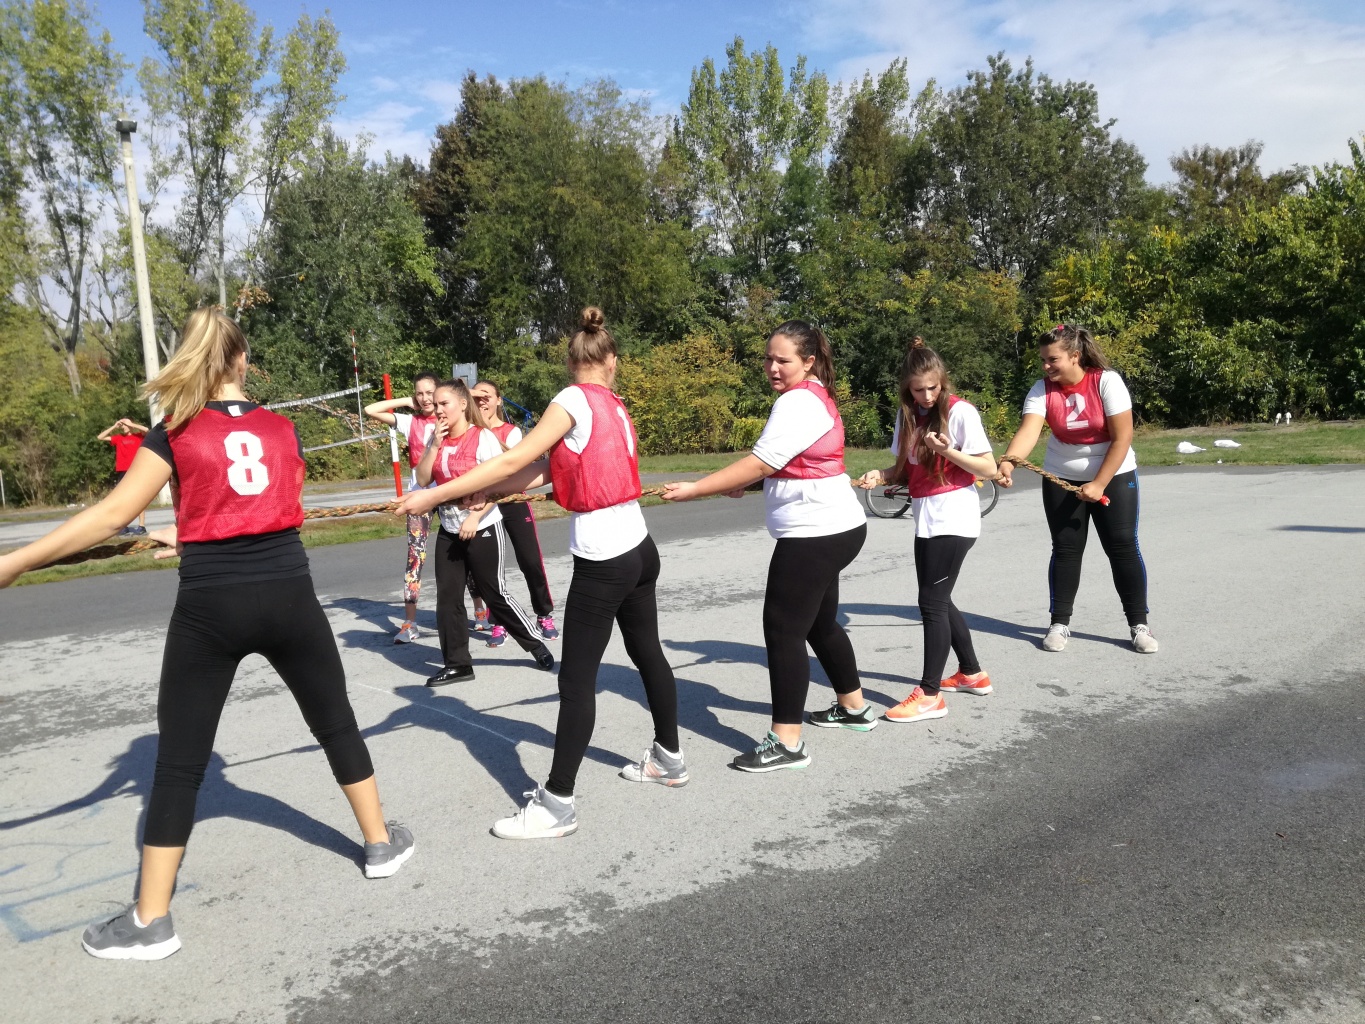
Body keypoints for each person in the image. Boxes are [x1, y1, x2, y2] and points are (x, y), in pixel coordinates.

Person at [0, 308, 412, 961]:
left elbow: (114, 513)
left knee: (178, 763)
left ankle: (151, 920)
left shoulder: (174, 430)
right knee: (335, 722)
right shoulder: (281, 428)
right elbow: (263, 504)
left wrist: (19, 561)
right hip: (289, 594)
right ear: (243, 359)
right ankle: (380, 844)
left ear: (193, 358)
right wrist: (193, 528)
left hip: (212, 603)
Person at [396, 307, 684, 839]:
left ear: (571, 362)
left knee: (575, 682)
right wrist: (484, 492)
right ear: (612, 361)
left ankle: (556, 804)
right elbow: (545, 470)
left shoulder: (572, 400)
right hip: (639, 547)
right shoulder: (613, 404)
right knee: (649, 655)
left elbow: (515, 458)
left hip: (605, 553)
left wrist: (434, 495)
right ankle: (669, 757)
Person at [662, 320, 869, 772]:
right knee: (819, 624)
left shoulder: (797, 402)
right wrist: (752, 482)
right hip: (835, 526)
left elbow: (761, 462)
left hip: (815, 532)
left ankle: (787, 743)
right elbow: (792, 463)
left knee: (782, 630)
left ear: (808, 361)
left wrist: (698, 488)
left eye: (783, 360)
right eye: (768, 359)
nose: (772, 368)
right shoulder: (812, 393)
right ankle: (854, 707)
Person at [857, 339, 998, 723]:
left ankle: (930, 695)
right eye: (918, 389)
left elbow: (988, 468)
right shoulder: (906, 417)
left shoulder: (960, 412)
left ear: (943, 381)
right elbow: (905, 471)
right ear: (907, 388)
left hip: (955, 516)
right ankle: (971, 674)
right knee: (938, 598)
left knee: (931, 603)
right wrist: (880, 474)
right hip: (927, 518)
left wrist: (947, 451)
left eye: (933, 387)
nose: (927, 396)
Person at [997, 324, 1157, 654]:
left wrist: (1099, 483)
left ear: (1074, 355)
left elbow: (1123, 437)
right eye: (1043, 360)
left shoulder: (1107, 381)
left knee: (1122, 545)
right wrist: (1009, 462)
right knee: (1066, 549)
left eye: (1052, 359)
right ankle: (1059, 624)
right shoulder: (1041, 390)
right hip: (1061, 475)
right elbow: (1028, 431)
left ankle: (1139, 625)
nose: (1046, 366)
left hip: (1114, 473)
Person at [416, 378, 555, 686]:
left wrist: (475, 518)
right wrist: (434, 446)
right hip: (449, 528)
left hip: (482, 526)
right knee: (447, 597)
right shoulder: (435, 438)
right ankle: (458, 664)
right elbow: (423, 480)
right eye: (435, 405)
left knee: (494, 593)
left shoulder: (483, 437)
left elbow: (500, 486)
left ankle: (535, 644)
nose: (438, 410)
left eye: (444, 403)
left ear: (463, 404)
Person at [470, 380, 559, 641]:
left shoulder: (511, 432)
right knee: (490, 569)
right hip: (485, 508)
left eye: (487, 397)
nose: (482, 402)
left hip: (513, 502)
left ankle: (544, 614)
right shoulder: (469, 432)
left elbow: (509, 467)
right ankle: (499, 620)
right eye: (476, 398)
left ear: (499, 400)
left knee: (530, 561)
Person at [364, 374, 439, 643]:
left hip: (450, 493)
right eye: (419, 393)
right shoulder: (410, 422)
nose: (425, 398)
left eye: (430, 392)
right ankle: (410, 623)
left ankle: (479, 610)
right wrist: (407, 401)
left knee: (464, 551)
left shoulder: (450, 419)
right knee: (415, 557)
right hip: (418, 497)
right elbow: (370, 409)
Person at [97, 418, 150, 534]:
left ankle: (142, 526)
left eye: (125, 425)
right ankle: (124, 526)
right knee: (124, 499)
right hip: (122, 471)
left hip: (135, 469)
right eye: (122, 425)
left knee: (139, 498)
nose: (123, 427)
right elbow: (100, 437)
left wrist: (131, 424)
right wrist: (114, 426)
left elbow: (147, 430)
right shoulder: (119, 438)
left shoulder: (138, 436)